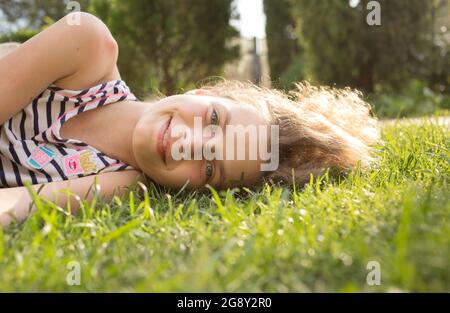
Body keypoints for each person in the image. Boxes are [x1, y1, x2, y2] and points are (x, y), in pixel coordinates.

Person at [0, 13, 379, 226]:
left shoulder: (126, 184)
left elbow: (12, 208)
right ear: (203, 92)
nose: (190, 143)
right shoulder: (86, 45)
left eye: (210, 167)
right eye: (214, 120)